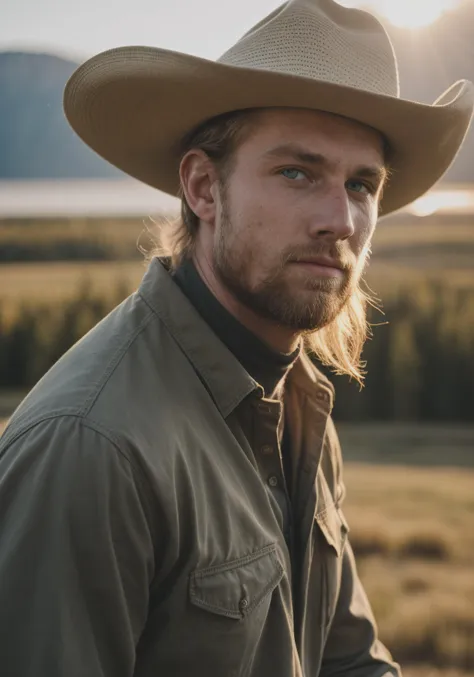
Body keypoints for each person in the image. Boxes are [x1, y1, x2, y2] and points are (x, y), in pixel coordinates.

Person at [0, 1, 472, 675]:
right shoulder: (91, 447)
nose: (340, 218)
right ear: (202, 187)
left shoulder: (297, 400)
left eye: (362, 184)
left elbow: (348, 659)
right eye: (296, 172)